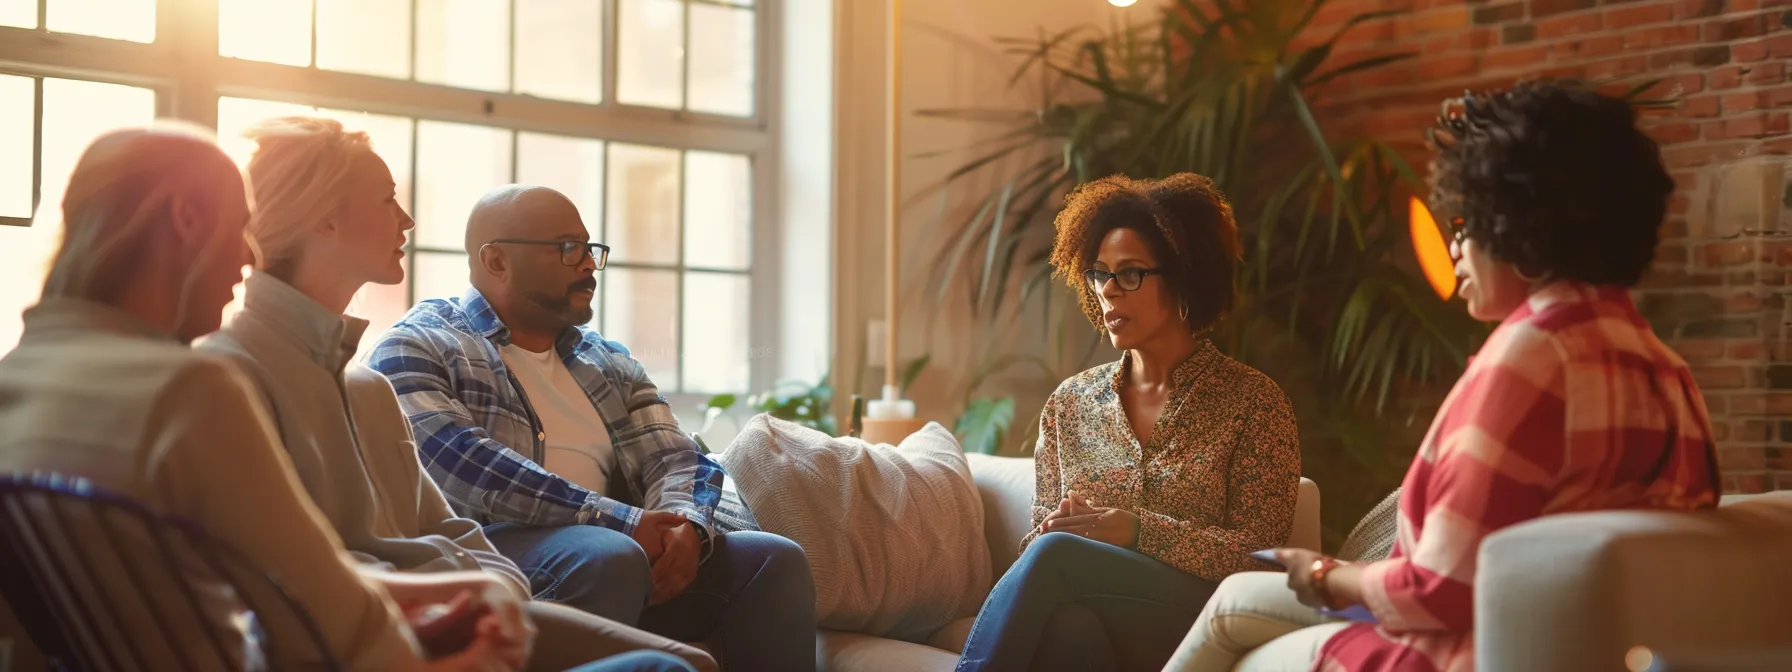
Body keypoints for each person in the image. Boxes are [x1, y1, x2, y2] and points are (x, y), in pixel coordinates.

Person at [1167, 79, 1722, 672]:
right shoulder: (1666, 369)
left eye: (1466, 222)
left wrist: (1329, 573)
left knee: (1240, 622)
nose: (1455, 245)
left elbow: (1440, 591)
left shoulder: (1530, 360)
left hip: (1459, 650)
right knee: (1235, 600)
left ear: (1519, 229)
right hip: (1575, 645)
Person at [0, 123, 534, 671]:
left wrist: (465, 590)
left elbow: (291, 580)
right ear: (185, 219)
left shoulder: (16, 384)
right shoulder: (190, 392)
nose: (249, 253)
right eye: (238, 225)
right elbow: (337, 627)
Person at [194, 116, 718, 672]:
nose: (408, 219)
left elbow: (448, 530)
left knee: (691, 664)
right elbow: (290, 582)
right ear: (324, 219)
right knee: (662, 664)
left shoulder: (365, 388)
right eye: (387, 200)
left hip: (458, 615)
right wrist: (465, 609)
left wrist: (502, 597)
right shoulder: (228, 378)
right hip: (392, 640)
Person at [367, 184, 816, 671]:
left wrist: (686, 524)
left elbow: (675, 454)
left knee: (774, 560)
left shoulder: (608, 360)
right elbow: (460, 464)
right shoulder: (419, 345)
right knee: (608, 554)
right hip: (491, 547)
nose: (587, 265)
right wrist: (619, 523)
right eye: (566, 249)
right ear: (496, 261)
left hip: (622, 547)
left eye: (588, 249)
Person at [952, 173, 1303, 672]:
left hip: (1195, 616)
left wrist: (1137, 531)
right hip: (1091, 616)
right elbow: (1036, 543)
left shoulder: (1254, 403)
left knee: (1059, 558)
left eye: (1131, 273)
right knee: (1067, 626)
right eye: (1099, 273)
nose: (1108, 291)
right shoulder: (1069, 404)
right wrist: (1057, 526)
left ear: (1184, 276)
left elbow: (1263, 557)